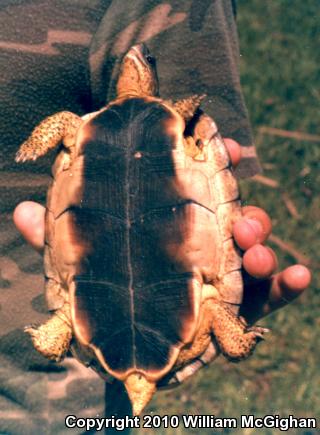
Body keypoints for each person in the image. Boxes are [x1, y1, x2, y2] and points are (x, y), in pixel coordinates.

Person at [1, 0, 310, 433]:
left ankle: (58, 336)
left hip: (52, 405)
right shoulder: (176, 119)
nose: (135, 58)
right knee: (207, 305)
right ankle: (229, 336)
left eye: (144, 60)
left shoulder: (84, 127)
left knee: (74, 326)